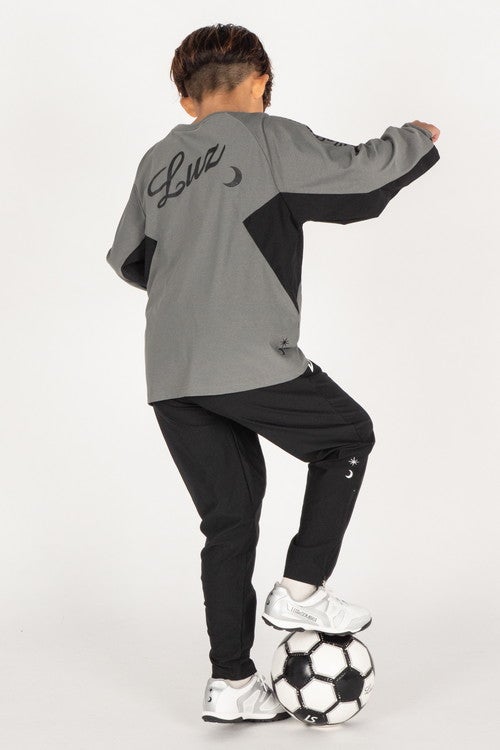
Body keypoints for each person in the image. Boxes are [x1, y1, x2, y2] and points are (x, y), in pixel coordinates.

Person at [106, 22, 440, 723]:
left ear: (186, 99)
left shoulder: (157, 160)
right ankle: (303, 588)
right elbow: (362, 176)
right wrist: (415, 137)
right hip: (246, 356)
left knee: (228, 521)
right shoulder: (266, 137)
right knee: (345, 436)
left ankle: (231, 681)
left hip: (172, 372)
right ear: (261, 83)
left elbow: (131, 259)